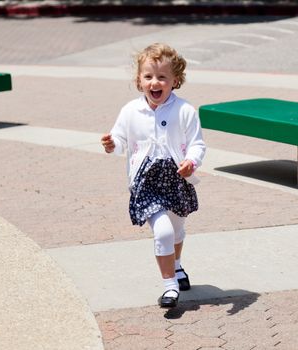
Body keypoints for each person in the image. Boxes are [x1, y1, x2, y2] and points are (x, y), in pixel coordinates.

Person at [101, 43, 206, 308]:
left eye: (162, 77)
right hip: (146, 181)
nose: (154, 82)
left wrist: (191, 162)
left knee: (177, 229)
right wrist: (112, 143)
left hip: (176, 178)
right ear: (139, 80)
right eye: (148, 76)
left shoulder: (185, 110)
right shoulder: (130, 111)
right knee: (162, 231)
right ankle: (170, 286)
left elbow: (197, 144)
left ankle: (178, 266)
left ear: (175, 80)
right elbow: (121, 140)